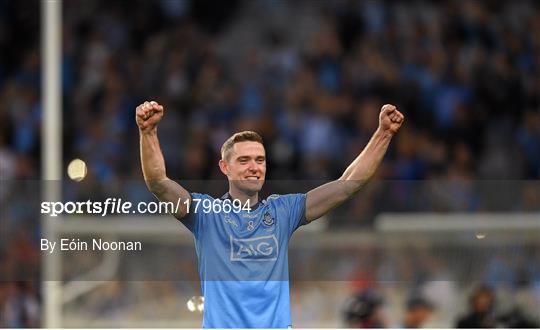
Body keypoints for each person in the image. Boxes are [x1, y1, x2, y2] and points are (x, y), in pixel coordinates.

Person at [136, 100, 404, 328]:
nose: (254, 167)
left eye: (260, 160)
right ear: (224, 167)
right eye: (244, 160)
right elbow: (159, 183)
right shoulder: (206, 213)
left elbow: (347, 185)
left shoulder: (283, 211)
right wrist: (148, 133)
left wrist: (383, 134)